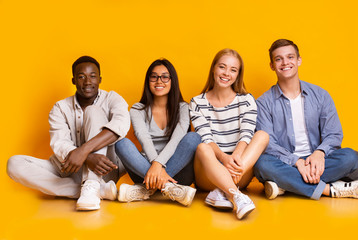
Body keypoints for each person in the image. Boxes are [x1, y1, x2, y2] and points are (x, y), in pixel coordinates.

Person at [7, 56, 130, 211]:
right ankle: (97, 191)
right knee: (14, 164)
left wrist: (84, 151)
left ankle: (92, 185)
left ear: (100, 79)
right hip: (69, 167)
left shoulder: (112, 98)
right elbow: (60, 144)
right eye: (81, 77)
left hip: (102, 168)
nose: (87, 82)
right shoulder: (60, 107)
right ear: (73, 80)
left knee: (93, 111)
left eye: (92, 76)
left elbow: (121, 126)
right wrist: (87, 158)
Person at [254, 39, 358, 200]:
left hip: (317, 162)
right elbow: (268, 145)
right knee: (261, 164)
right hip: (285, 162)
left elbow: (334, 134)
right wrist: (297, 162)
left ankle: (285, 184)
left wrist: (319, 153)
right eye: (278, 59)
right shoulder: (263, 103)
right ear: (272, 65)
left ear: (299, 60)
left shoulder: (321, 95)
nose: (285, 62)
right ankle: (330, 190)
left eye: (290, 57)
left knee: (349, 157)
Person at [189, 49, 269, 219]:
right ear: (213, 69)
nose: (226, 73)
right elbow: (206, 137)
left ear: (238, 74)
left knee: (262, 135)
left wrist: (236, 156)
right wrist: (224, 159)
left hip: (239, 169)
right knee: (202, 147)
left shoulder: (246, 100)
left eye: (233, 70)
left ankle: (222, 191)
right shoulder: (197, 103)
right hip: (207, 175)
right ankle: (236, 196)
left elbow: (247, 134)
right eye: (222, 67)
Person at [115, 59, 201, 206]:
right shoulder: (137, 109)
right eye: (154, 76)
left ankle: (145, 190)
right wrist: (155, 166)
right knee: (121, 143)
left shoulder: (183, 107)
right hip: (144, 171)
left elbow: (176, 140)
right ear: (148, 81)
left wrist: (159, 164)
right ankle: (169, 188)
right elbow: (144, 139)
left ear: (172, 80)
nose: (159, 81)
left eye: (165, 77)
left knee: (193, 138)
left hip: (179, 171)